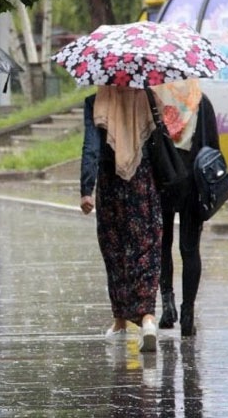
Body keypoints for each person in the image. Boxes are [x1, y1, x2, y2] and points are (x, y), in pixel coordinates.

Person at [80, 85, 161, 352]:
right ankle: (148, 318)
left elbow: (90, 147)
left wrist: (86, 189)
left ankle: (120, 322)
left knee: (115, 251)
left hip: (110, 183)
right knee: (146, 248)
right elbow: (162, 139)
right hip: (143, 181)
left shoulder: (96, 101)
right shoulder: (147, 98)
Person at [152, 79, 220, 337]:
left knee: (162, 245)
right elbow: (212, 148)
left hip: (162, 181)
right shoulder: (201, 102)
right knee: (190, 249)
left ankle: (168, 306)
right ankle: (188, 313)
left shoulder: (155, 101)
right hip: (193, 183)